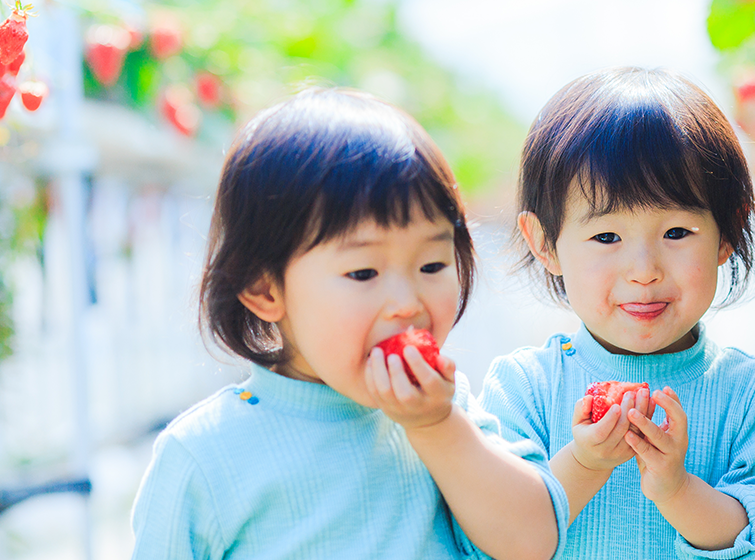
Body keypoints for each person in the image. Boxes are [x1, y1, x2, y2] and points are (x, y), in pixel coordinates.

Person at [130, 87, 567, 559]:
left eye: (432, 266)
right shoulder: (205, 455)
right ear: (264, 289)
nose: (406, 303)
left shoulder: (448, 410)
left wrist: (437, 428)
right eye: (363, 272)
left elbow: (533, 543)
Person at [480, 67, 755, 559]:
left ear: (727, 232)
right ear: (545, 243)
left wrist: (677, 490)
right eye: (606, 237)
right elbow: (493, 537)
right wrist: (585, 463)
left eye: (677, 233)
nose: (644, 271)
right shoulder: (524, 390)